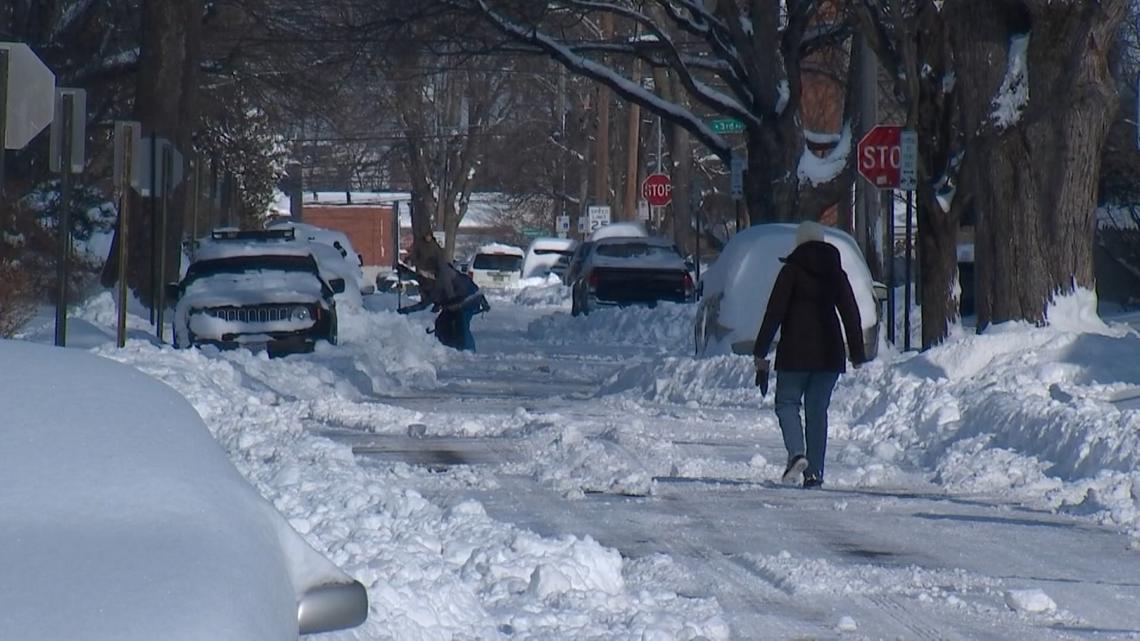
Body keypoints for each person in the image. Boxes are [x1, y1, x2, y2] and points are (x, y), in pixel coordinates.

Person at [752, 221, 866, 489]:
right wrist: (857, 353)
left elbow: (775, 312)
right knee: (818, 411)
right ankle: (814, 473)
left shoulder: (791, 271)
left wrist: (761, 351)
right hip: (829, 354)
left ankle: (796, 454)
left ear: (799, 243)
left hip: (795, 352)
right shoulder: (836, 273)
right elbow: (850, 313)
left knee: (787, 403)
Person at [397, 233, 488, 351]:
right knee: (442, 323)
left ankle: (467, 350)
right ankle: (447, 347)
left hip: (470, 299)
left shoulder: (443, 276)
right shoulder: (433, 276)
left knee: (461, 323)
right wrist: (405, 272)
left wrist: (407, 310)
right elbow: (421, 279)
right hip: (454, 303)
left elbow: (426, 303)